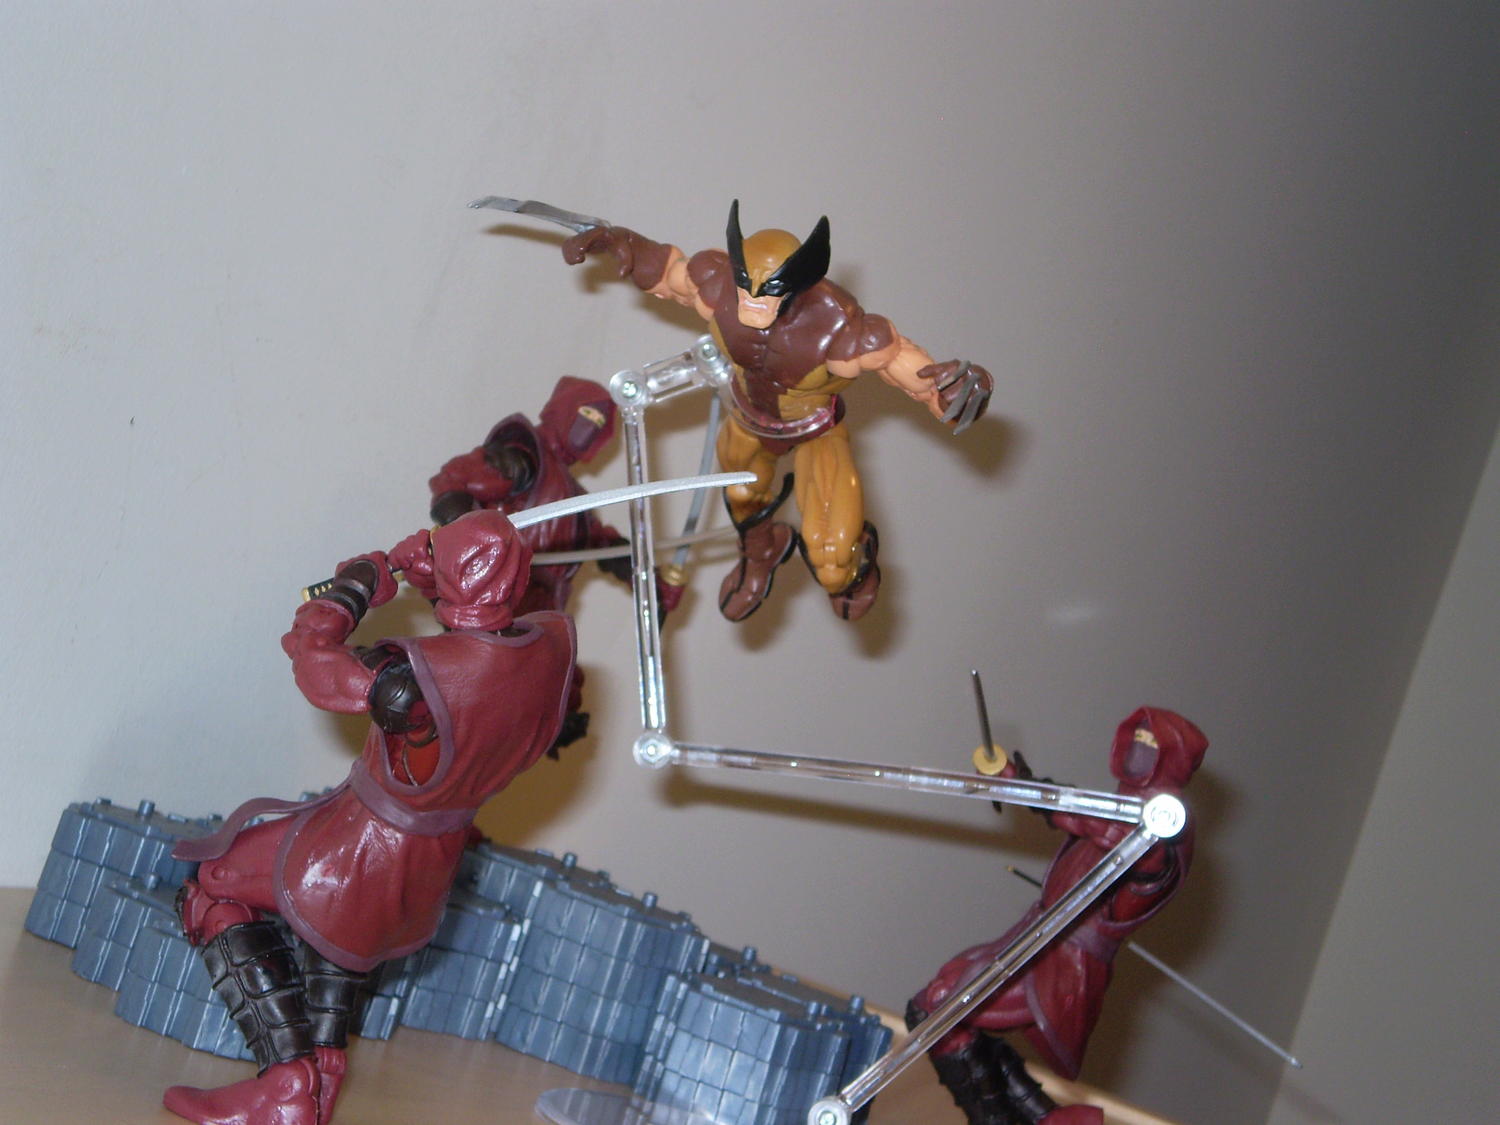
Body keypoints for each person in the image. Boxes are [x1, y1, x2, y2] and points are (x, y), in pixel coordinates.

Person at [163, 510, 576, 1125]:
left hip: (365, 842)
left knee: (214, 884)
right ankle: (320, 1083)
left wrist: (352, 590)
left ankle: (286, 1084)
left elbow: (313, 660)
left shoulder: (413, 679)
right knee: (341, 946)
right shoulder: (550, 648)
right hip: (435, 855)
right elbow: (485, 635)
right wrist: (434, 571)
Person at [561, 201, 993, 621]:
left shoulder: (843, 331)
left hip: (815, 431)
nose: (751, 300)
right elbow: (667, 270)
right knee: (742, 497)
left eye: (767, 289)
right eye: (745, 284)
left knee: (833, 562)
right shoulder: (716, 286)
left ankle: (855, 564)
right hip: (748, 419)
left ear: (798, 285)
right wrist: (620, 242)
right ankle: (762, 550)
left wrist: (959, 389)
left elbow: (920, 375)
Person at [907, 707, 1208, 1125]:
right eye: (1137, 741)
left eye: (1151, 746)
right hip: (1039, 937)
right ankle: (1040, 1116)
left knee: (939, 1007)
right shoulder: (1120, 812)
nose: (1139, 752)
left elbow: (1092, 820)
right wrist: (1018, 781)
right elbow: (1076, 813)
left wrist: (1019, 786)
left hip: (1063, 963)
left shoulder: (1157, 835)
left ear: (1170, 761)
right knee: (944, 1006)